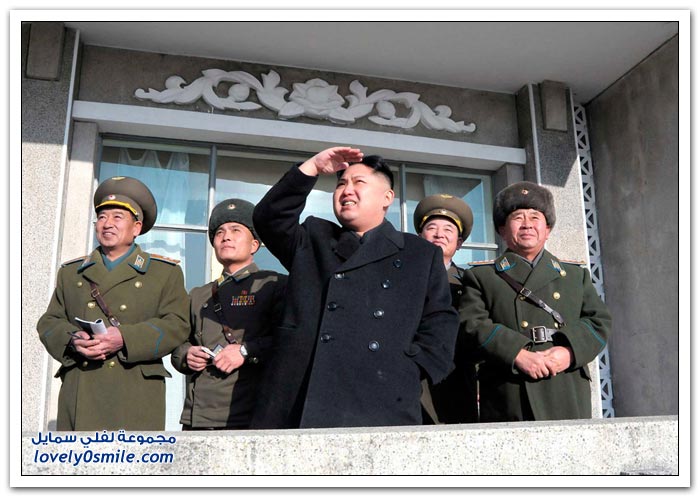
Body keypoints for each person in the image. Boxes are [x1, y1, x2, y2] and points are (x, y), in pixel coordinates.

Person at [250, 146, 459, 429]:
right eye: (341, 184)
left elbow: (440, 319)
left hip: (384, 398)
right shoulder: (313, 238)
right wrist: (312, 167)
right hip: (302, 396)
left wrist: (409, 368)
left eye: (359, 182)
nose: (347, 190)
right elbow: (269, 218)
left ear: (387, 198)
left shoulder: (419, 254)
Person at [36, 176, 190, 431]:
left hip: (135, 392)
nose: (107, 224)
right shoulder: (71, 272)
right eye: (102, 217)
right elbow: (49, 322)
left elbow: (177, 324)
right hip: (81, 387)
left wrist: (125, 338)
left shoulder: (164, 272)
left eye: (118, 217)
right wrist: (73, 339)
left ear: (136, 227)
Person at [462, 181, 612, 422]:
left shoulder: (575, 275)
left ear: (547, 229)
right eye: (518, 217)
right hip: (509, 389)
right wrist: (517, 354)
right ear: (502, 229)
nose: (527, 224)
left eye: (535, 217)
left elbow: (598, 321)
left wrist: (568, 352)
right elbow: (472, 324)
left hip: (564, 384)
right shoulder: (482, 276)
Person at [171, 199, 287, 430]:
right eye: (220, 232)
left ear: (254, 245)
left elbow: (289, 340)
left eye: (236, 230)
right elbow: (178, 341)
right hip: (199, 415)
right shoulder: (198, 294)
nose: (226, 237)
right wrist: (186, 355)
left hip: (248, 413)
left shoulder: (273, 285)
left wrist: (246, 350)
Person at [414, 194, 479, 424]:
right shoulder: (401, 277)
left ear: (459, 243)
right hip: (413, 377)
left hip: (457, 378)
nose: (439, 234)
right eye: (431, 228)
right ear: (419, 237)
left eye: (448, 230)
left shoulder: (470, 282)